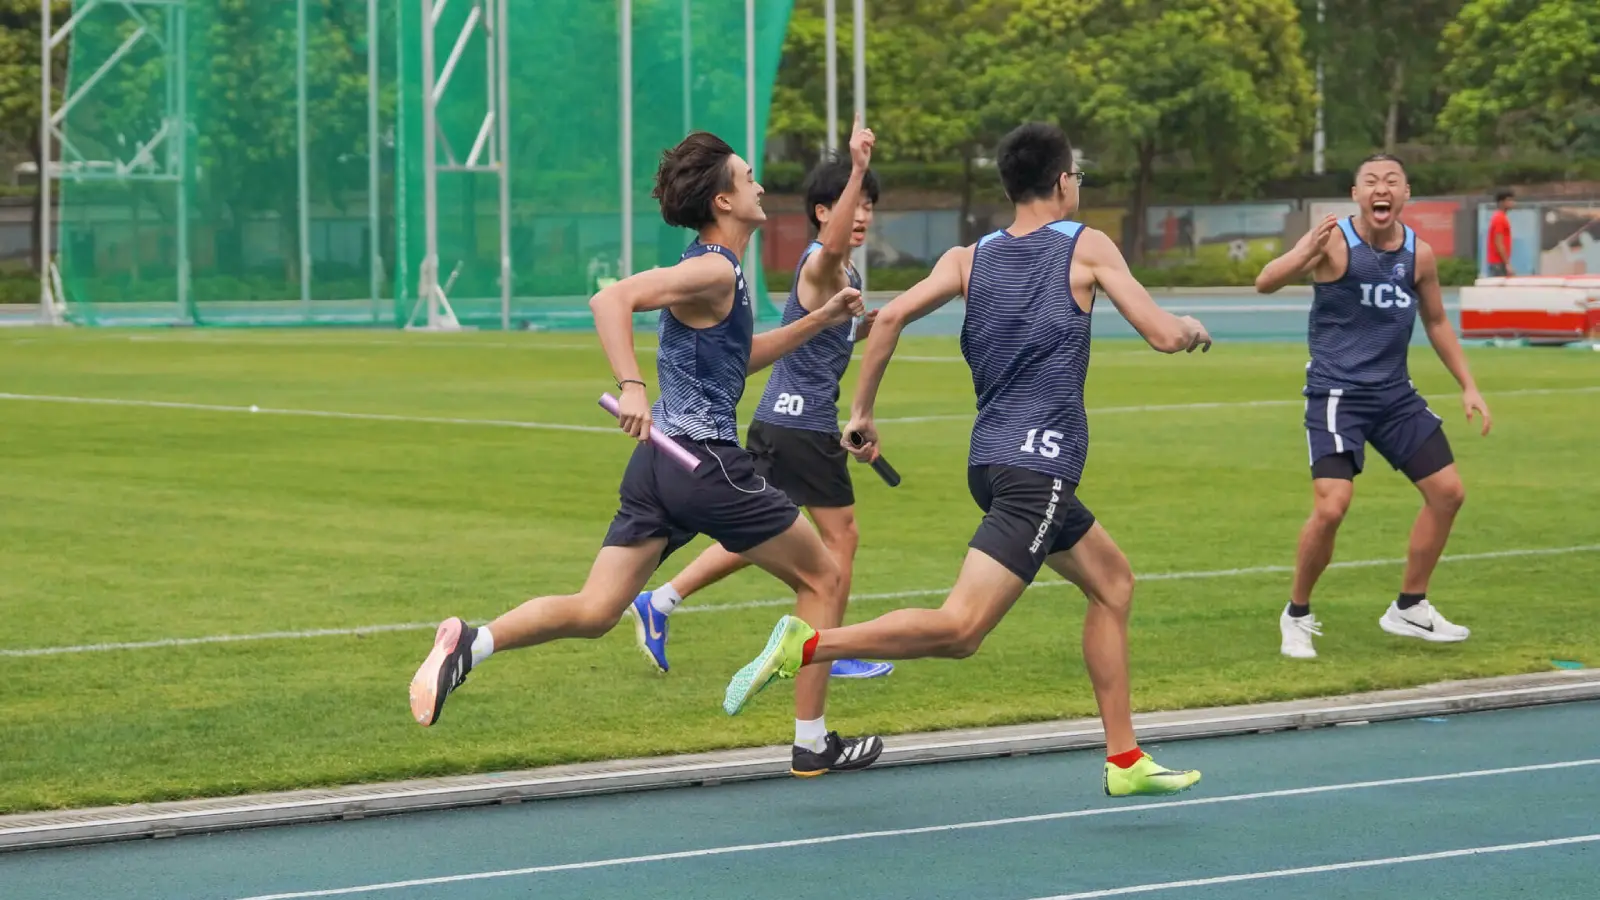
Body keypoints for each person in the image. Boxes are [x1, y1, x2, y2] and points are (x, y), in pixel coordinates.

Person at [720, 122, 1211, 798]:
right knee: (960, 631)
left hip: (992, 464)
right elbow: (1159, 334)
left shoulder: (967, 258)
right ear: (1064, 182)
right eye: (1078, 177)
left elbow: (886, 320)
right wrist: (1190, 331)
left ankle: (1125, 760)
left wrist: (861, 412)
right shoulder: (1086, 245)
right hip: (1036, 466)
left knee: (1113, 584)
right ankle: (806, 646)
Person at [408, 131, 886, 778]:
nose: (761, 186)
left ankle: (475, 642)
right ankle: (811, 739)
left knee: (595, 610)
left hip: (660, 467)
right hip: (705, 463)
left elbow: (735, 364)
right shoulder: (714, 267)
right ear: (723, 199)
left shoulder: (723, 274)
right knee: (824, 576)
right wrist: (632, 384)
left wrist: (818, 319)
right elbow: (611, 298)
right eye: (749, 178)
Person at [628, 116, 892, 681]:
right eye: (856, 204)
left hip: (784, 422)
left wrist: (881, 318)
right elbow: (826, 249)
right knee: (837, 538)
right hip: (797, 425)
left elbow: (813, 334)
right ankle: (828, 646)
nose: (863, 214)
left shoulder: (836, 277)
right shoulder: (820, 264)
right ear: (825, 212)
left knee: (763, 530)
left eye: (871, 204)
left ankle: (663, 598)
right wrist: (858, 168)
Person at [1254, 154, 1492, 659]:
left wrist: (1469, 385)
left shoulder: (1419, 255)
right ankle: (1296, 613)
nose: (1381, 189)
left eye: (1391, 182)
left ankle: (1410, 606)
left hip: (1394, 395)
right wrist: (1303, 255)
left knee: (1448, 492)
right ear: (1356, 194)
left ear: (1406, 194)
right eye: (1370, 182)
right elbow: (1266, 281)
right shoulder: (1332, 240)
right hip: (1338, 393)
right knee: (1332, 506)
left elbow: (1437, 323)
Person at [1486, 189, 1515, 277]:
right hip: (1498, 263)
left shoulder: (1502, 217)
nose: (1512, 203)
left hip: (1499, 262)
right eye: (1509, 200)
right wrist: (1507, 263)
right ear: (1501, 202)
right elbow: (1498, 242)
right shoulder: (1499, 219)